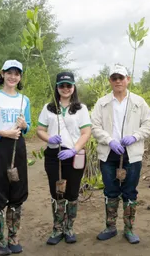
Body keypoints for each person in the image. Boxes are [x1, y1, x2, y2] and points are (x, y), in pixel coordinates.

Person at [91, 64, 150, 244]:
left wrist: (134, 137)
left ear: (128, 79)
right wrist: (109, 140)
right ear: (110, 81)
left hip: (132, 153)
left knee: (130, 191)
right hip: (109, 153)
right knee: (110, 190)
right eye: (114, 78)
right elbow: (95, 127)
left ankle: (129, 229)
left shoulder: (139, 102)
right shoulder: (102, 103)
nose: (118, 81)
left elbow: (148, 124)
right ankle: (110, 227)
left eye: (121, 77)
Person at [36, 72, 92, 245]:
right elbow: (40, 130)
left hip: (74, 155)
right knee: (57, 192)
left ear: (73, 87)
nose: (65, 89)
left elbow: (86, 133)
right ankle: (57, 229)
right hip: (54, 156)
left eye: (69, 85)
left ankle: (69, 228)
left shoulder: (81, 108)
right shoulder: (49, 107)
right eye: (62, 85)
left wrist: (74, 149)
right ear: (57, 87)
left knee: (72, 192)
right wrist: (49, 138)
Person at [0, 60, 31, 255]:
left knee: (17, 191)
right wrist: (4, 133)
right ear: (2, 74)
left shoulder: (24, 100)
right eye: (9, 73)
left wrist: (25, 126)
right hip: (0, 146)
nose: (13, 77)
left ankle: (13, 237)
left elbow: (28, 125)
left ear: (20, 77)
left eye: (17, 74)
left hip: (18, 147)